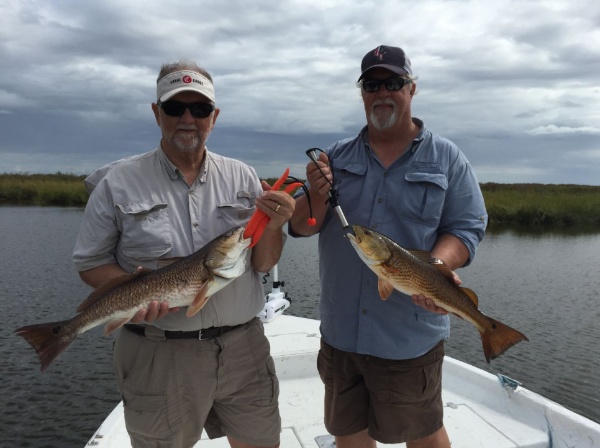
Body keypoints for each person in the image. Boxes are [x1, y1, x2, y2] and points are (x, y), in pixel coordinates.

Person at [73, 60, 295, 448]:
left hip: (244, 348)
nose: (188, 118)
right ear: (157, 113)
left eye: (200, 109)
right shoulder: (118, 182)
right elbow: (90, 263)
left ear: (215, 117)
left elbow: (261, 262)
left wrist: (275, 227)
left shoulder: (243, 175)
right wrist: (134, 295)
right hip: (158, 353)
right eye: (175, 108)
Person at [289, 45, 487, 448]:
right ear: (362, 93)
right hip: (341, 333)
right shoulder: (335, 158)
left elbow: (466, 228)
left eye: (393, 83)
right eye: (372, 84)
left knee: (424, 436)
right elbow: (302, 227)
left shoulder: (447, 157)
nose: (382, 92)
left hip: (409, 337)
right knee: (348, 435)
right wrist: (314, 191)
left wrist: (436, 265)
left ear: (411, 89)